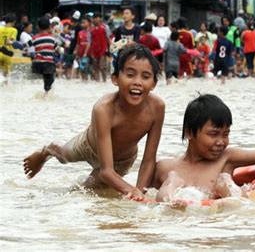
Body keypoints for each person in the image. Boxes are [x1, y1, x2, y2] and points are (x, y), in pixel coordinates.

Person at [23, 44, 165, 200]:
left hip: (121, 161)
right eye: (130, 74)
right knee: (63, 155)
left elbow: (148, 160)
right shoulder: (103, 108)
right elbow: (106, 171)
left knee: (85, 191)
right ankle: (47, 151)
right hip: (87, 146)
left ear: (153, 84)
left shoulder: (157, 108)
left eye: (145, 76)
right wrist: (132, 190)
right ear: (115, 79)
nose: (137, 82)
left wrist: (140, 193)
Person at [152, 94, 255, 202]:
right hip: (181, 220)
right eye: (213, 134)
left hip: (218, 214)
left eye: (226, 134)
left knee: (225, 181)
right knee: (172, 180)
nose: (221, 142)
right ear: (189, 133)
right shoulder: (164, 167)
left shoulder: (226, 158)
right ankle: (172, 201)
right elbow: (143, 198)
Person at [30, 17, 59, 94]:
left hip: (37, 64)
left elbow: (26, 46)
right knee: (49, 81)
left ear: (38, 27)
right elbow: (57, 49)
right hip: (48, 64)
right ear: (50, 27)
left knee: (40, 78)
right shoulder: (52, 38)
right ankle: (46, 93)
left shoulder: (34, 38)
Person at [91, 13, 110, 82]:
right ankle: (97, 81)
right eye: (94, 18)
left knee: (102, 67)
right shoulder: (91, 29)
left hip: (103, 50)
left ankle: (104, 81)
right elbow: (90, 41)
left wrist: (110, 49)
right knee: (95, 67)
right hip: (94, 50)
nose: (94, 20)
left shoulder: (105, 27)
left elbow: (108, 39)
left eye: (96, 18)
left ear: (100, 18)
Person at [0, 14, 18, 82]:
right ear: (13, 22)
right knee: (7, 75)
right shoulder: (14, 30)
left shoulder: (0, 29)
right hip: (7, 54)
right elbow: (11, 41)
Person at [75, 17, 92, 81]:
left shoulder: (91, 32)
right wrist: (76, 52)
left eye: (84, 22)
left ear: (89, 23)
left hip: (90, 54)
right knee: (82, 69)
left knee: (90, 69)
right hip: (81, 54)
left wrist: (86, 53)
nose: (82, 24)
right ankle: (84, 81)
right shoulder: (80, 33)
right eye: (82, 23)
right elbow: (78, 44)